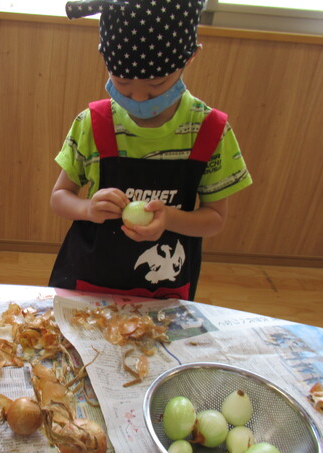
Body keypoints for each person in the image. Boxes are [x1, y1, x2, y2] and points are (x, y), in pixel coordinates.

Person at [49, 0, 252, 301]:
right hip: (89, 281)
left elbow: (215, 219)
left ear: (190, 58)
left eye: (157, 84)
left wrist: (168, 218)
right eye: (122, 83)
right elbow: (59, 197)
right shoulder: (92, 123)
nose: (140, 99)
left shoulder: (209, 131)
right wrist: (87, 208)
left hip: (163, 288)